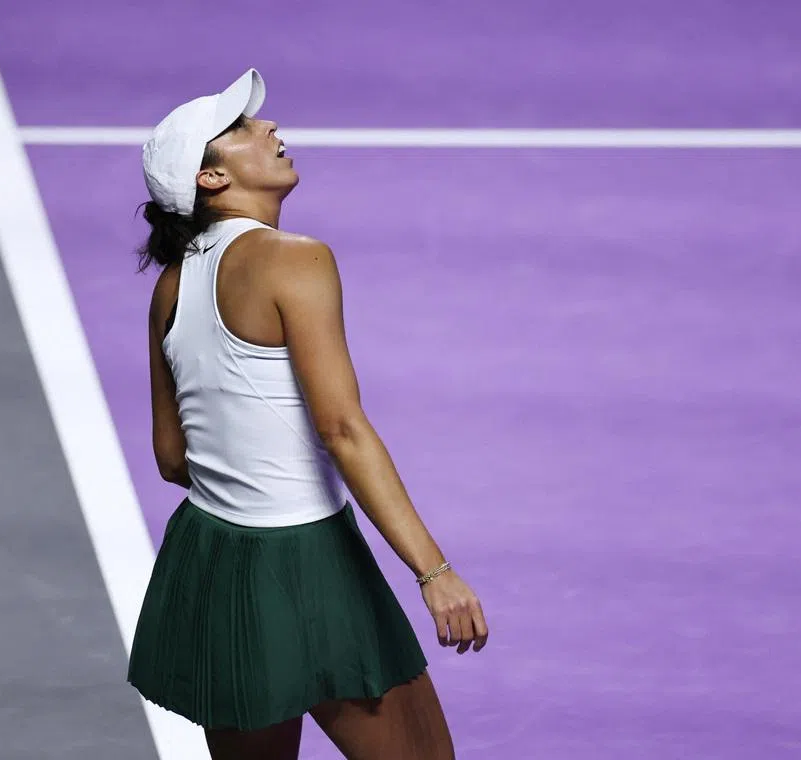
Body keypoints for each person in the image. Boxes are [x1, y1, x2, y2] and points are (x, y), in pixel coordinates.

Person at [125, 69, 489, 760]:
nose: (267, 127)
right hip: (307, 564)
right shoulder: (296, 260)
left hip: (211, 564)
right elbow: (342, 429)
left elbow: (173, 459)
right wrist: (433, 572)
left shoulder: (172, 285)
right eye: (238, 129)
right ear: (210, 179)